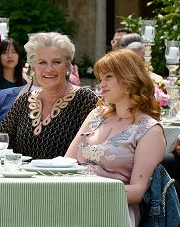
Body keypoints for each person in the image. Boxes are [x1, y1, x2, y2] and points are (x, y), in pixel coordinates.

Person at [65, 49, 166, 227]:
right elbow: (67, 162)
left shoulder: (150, 130)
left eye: (108, 77)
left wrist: (90, 194)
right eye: (100, 78)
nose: (101, 84)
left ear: (129, 78)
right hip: (75, 201)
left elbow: (137, 191)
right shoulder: (96, 115)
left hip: (113, 210)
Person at [0, 32, 98, 159]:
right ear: (34, 67)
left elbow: (98, 148)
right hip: (23, 177)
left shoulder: (85, 99)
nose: (49, 69)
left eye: (56, 62)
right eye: (42, 62)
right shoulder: (25, 100)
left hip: (67, 178)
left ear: (67, 66)